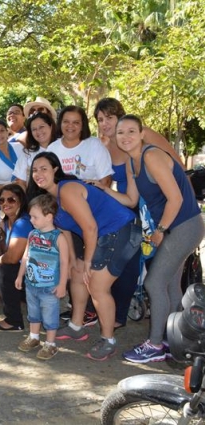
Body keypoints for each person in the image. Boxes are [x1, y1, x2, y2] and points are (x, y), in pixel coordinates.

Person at [102, 115, 204, 363]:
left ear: (141, 133)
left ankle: (155, 344)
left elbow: (176, 199)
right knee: (169, 284)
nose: (125, 137)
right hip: (174, 227)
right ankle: (174, 340)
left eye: (131, 132)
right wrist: (103, 189)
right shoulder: (131, 162)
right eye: (120, 133)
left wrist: (159, 229)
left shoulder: (151, 156)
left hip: (185, 226)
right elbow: (131, 200)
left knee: (154, 283)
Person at [27, 152, 141, 361]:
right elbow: (67, 231)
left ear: (55, 169)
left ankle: (108, 340)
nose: (38, 173)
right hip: (103, 235)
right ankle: (76, 326)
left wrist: (88, 261)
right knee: (77, 274)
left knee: (97, 286)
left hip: (121, 229)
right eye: (34, 170)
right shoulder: (50, 200)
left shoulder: (67, 190)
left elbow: (90, 227)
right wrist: (73, 260)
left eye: (44, 168)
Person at [94, 97, 182, 329]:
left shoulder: (143, 135)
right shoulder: (104, 145)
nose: (105, 123)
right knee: (127, 261)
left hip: (158, 205)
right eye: (100, 119)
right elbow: (111, 182)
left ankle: (170, 327)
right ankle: (120, 316)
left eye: (110, 117)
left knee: (160, 267)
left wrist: (183, 204)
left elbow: (177, 164)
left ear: (121, 116)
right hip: (130, 207)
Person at [15, 194, 69, 360]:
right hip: (31, 284)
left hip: (49, 286)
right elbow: (26, 255)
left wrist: (62, 285)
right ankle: (34, 337)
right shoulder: (32, 234)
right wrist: (20, 275)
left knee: (50, 315)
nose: (31, 220)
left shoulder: (59, 238)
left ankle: (51, 344)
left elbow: (65, 262)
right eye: (31, 216)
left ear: (49, 217)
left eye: (35, 217)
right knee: (33, 312)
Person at [0, 184, 33, 325]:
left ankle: (13, 321)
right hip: (26, 271)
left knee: (4, 272)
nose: (5, 203)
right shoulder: (9, 221)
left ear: (20, 201)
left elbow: (13, 258)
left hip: (36, 274)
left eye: (11, 200)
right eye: (1, 201)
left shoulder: (22, 223)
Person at [47, 105, 113, 186]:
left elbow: (106, 181)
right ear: (60, 123)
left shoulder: (95, 145)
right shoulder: (52, 149)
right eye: (66, 121)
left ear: (83, 125)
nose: (70, 125)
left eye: (76, 122)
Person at [13, 112, 57, 190]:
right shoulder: (27, 153)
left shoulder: (63, 146)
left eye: (41, 127)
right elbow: (21, 182)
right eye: (34, 129)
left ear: (50, 126)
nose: (38, 131)